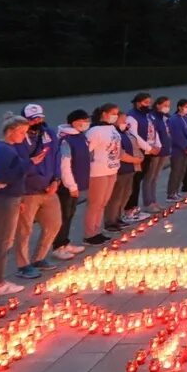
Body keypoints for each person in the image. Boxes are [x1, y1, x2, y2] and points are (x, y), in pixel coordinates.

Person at [0, 113, 46, 297]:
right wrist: (28, 164)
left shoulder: (2, 148)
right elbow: (6, 176)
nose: (24, 137)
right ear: (11, 131)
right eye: (22, 133)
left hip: (2, 198)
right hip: (6, 199)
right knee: (4, 243)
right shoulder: (5, 150)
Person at [13, 104, 62, 279]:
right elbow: (21, 164)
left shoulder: (49, 133)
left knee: (54, 223)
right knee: (24, 230)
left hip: (49, 188)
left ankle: (39, 258)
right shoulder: (18, 138)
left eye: (39, 117)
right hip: (28, 191)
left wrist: (56, 179)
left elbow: (57, 157)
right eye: (33, 118)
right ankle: (23, 265)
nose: (37, 121)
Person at [53, 109, 91, 260]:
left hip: (77, 183)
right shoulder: (66, 140)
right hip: (67, 185)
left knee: (70, 214)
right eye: (84, 120)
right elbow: (64, 165)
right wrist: (71, 185)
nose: (86, 123)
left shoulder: (80, 137)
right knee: (63, 215)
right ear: (74, 122)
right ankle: (58, 246)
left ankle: (65, 242)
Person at [82, 103, 122, 246]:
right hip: (98, 171)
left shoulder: (112, 128)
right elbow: (86, 151)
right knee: (95, 203)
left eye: (117, 113)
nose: (115, 116)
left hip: (112, 169)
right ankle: (89, 234)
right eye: (113, 113)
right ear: (104, 114)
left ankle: (97, 230)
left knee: (103, 203)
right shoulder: (95, 131)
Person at [104, 111, 143, 232]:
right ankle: (110, 221)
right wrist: (135, 159)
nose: (125, 123)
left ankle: (118, 217)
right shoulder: (114, 134)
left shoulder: (124, 132)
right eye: (122, 120)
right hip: (120, 168)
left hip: (130, 168)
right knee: (116, 196)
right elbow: (120, 153)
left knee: (126, 194)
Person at [123, 93, 159, 221]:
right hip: (138, 153)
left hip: (148, 152)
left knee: (139, 180)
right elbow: (134, 136)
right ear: (138, 103)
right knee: (134, 182)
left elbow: (153, 131)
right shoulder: (132, 117)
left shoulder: (147, 115)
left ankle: (135, 208)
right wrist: (149, 148)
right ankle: (129, 210)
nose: (148, 105)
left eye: (149, 102)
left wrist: (157, 145)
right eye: (145, 102)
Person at [145, 95, 174, 212]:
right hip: (155, 151)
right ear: (158, 105)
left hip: (165, 150)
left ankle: (154, 201)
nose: (167, 108)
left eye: (168, 105)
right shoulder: (152, 117)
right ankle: (148, 202)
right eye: (165, 105)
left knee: (155, 177)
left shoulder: (164, 117)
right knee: (150, 177)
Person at [166, 98, 187, 201]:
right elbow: (176, 135)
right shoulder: (174, 119)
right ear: (180, 107)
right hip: (178, 150)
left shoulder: (186, 118)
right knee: (176, 171)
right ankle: (171, 193)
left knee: (182, 171)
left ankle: (176, 191)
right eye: (186, 107)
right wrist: (185, 146)